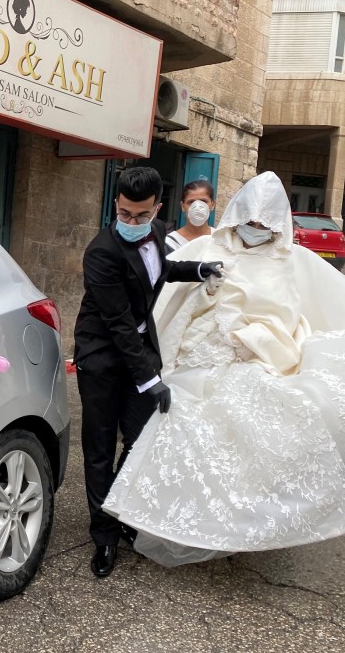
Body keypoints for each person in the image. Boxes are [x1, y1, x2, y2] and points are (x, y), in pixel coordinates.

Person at [103, 172, 345, 567]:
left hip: (263, 358)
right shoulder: (205, 247)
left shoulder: (293, 259)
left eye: (264, 225)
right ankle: (160, 518)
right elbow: (165, 300)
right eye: (250, 222)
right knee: (181, 428)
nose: (256, 230)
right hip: (202, 359)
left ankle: (246, 522)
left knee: (275, 424)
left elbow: (319, 305)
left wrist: (255, 340)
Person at [73, 166, 225, 578]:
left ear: (157, 208)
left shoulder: (156, 232)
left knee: (139, 439)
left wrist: (198, 269)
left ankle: (119, 508)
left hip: (139, 349)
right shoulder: (101, 252)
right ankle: (103, 535)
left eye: (141, 215)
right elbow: (119, 325)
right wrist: (151, 380)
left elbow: (159, 272)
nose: (132, 223)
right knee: (100, 448)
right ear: (116, 205)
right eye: (124, 214)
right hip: (103, 355)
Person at [164, 180, 215, 254]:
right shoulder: (170, 243)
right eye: (191, 202)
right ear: (182, 206)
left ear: (213, 204)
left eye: (203, 201)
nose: (197, 207)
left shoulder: (221, 239)